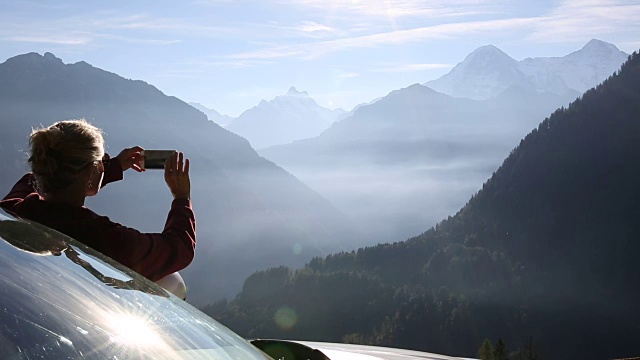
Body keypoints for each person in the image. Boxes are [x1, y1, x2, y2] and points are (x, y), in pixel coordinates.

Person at [0, 119, 196, 283]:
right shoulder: (104, 238)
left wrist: (113, 166)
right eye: (102, 161)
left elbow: (30, 181)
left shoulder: (12, 209)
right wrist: (181, 198)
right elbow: (179, 248)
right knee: (172, 282)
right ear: (94, 171)